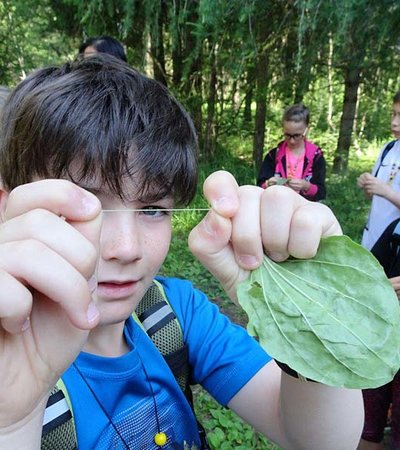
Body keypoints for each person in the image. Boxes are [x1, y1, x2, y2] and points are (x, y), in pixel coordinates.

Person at [0, 55, 363, 450]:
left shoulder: (173, 312)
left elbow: (320, 441)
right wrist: (9, 424)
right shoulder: (8, 358)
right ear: (8, 208)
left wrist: (302, 303)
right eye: (84, 206)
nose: (127, 248)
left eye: (153, 209)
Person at [357, 217, 400, 450]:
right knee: (367, 423)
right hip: (379, 343)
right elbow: (364, 275)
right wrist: (380, 287)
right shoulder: (396, 227)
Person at [257, 103, 326, 201]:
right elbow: (259, 186)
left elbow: (321, 192)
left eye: (297, 135)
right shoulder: (273, 155)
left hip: (305, 208)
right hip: (276, 205)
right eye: (287, 135)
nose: (292, 141)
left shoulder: (316, 157)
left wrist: (306, 186)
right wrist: (268, 184)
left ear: (307, 129)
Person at [358, 92, 400, 251]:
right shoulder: (388, 148)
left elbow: (385, 191)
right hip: (372, 238)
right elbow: (371, 195)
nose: (394, 123)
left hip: (395, 246)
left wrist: (386, 192)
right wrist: (367, 184)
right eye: (393, 114)